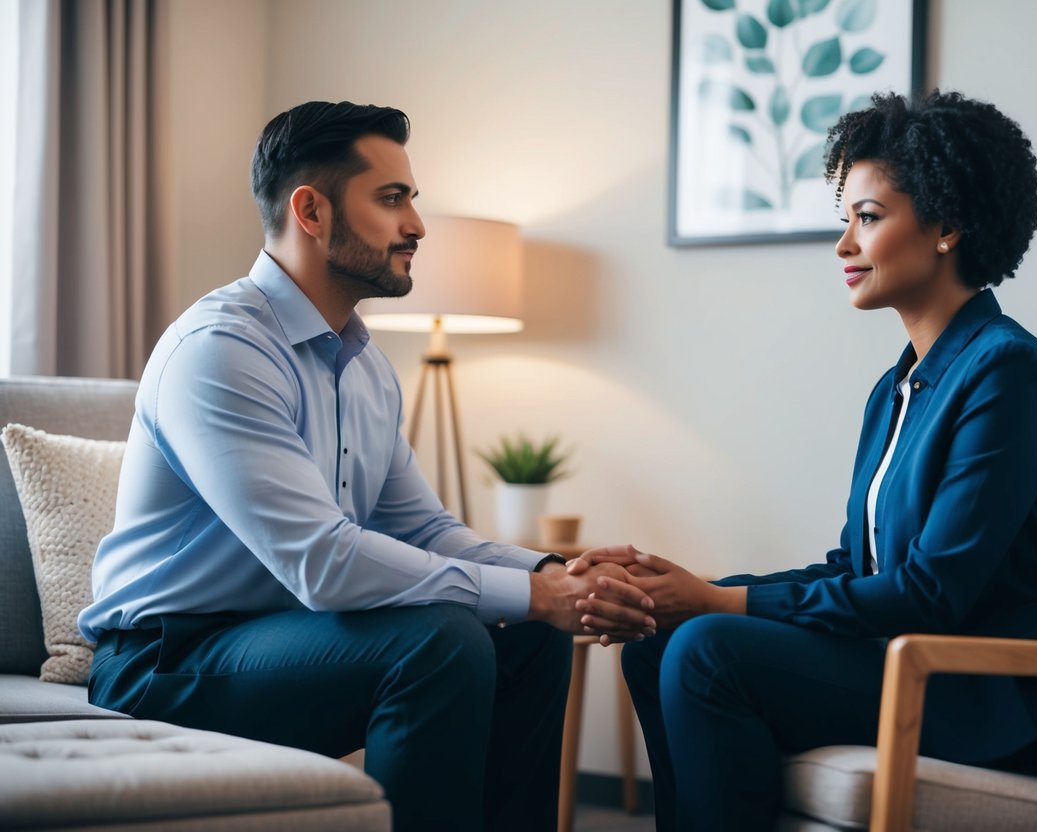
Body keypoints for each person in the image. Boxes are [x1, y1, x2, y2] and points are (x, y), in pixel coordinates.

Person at [79, 100, 654, 832]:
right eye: (392, 199)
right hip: (164, 662)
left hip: (283, 639)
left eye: (411, 198)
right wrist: (533, 594)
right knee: (440, 642)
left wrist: (550, 577)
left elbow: (427, 530)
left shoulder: (365, 365)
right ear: (311, 211)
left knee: (528, 633)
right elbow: (323, 563)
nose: (416, 224)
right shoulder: (221, 350)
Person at [572, 90, 1037, 830]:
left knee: (711, 646)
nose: (843, 245)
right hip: (898, 662)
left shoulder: (1007, 374)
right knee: (661, 644)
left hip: (977, 697)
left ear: (946, 225)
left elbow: (929, 593)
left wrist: (720, 604)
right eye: (845, 219)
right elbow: (856, 568)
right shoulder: (901, 384)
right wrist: (682, 592)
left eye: (866, 219)